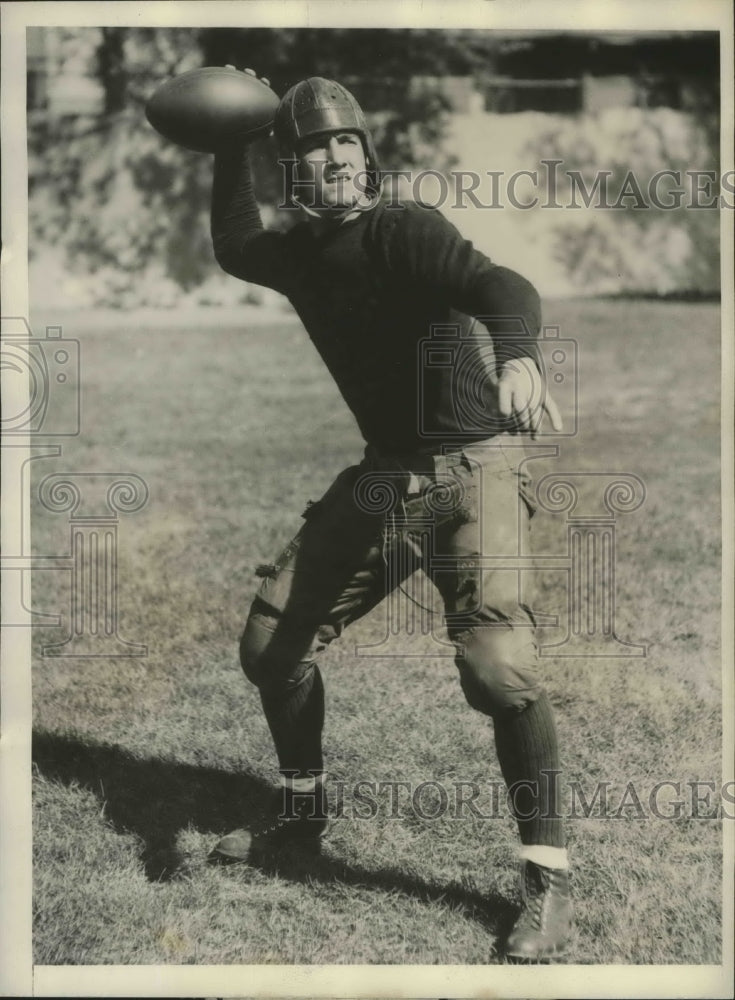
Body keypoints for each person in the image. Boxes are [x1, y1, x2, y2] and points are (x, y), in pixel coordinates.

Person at [208, 72, 573, 960]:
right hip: (383, 478)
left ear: (364, 154)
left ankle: (546, 875)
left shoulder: (404, 228)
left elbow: (502, 284)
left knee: (497, 671)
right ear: (289, 166)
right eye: (308, 148)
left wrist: (518, 358)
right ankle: (302, 815)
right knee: (271, 649)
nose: (331, 157)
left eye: (344, 142)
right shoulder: (296, 252)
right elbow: (233, 243)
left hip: (471, 467)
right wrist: (228, 143)